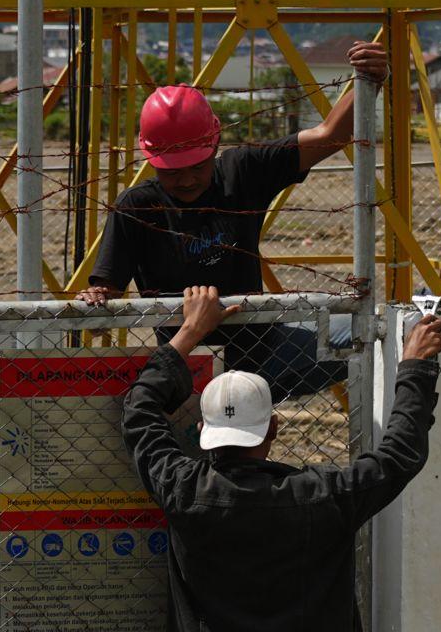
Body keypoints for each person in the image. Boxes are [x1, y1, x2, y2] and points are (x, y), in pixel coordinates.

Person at [122, 286, 441, 632]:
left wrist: (189, 333)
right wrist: (415, 367)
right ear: (271, 428)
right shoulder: (318, 498)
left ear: (202, 429)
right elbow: (398, 455)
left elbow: (139, 412)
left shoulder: (184, 488)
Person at [79, 41, 388, 403]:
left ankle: (244, 406)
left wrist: (371, 78)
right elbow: (108, 291)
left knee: (366, 331)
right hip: (188, 363)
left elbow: (331, 136)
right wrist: (96, 303)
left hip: (264, 350)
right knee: (213, 422)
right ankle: (232, 412)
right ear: (151, 159)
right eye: (172, 171)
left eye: (198, 165)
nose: (187, 180)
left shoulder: (241, 172)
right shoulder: (137, 207)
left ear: (215, 143)